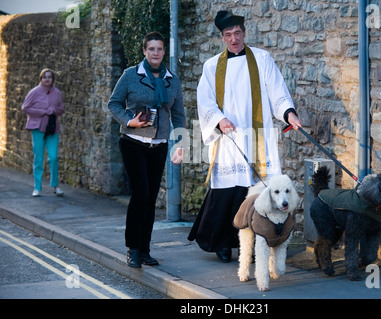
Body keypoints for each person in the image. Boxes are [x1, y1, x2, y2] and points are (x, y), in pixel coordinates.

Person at [188, 11, 303, 262]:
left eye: (237, 33)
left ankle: (254, 244)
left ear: (244, 32)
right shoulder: (211, 66)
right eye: (228, 35)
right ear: (222, 37)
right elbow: (205, 102)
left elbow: (277, 92)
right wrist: (219, 119)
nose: (233, 39)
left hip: (257, 136)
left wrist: (288, 113)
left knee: (254, 192)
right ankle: (222, 243)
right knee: (227, 190)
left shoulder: (262, 59)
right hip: (228, 137)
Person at [108, 31, 186, 268]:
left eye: (159, 49)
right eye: (151, 49)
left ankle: (144, 249)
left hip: (159, 146)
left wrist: (180, 145)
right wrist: (129, 121)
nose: (155, 53)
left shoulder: (172, 80)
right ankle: (133, 248)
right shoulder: (131, 75)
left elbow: (179, 115)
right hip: (132, 142)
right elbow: (113, 103)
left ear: (164, 52)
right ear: (144, 51)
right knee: (140, 193)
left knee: (150, 198)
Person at [22, 68, 65, 197]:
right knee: (38, 158)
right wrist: (42, 111)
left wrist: (54, 110)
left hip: (52, 129)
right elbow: (25, 107)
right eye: (44, 77)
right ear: (40, 79)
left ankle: (55, 186)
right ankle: (37, 187)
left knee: (53, 157)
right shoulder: (34, 92)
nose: (47, 79)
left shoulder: (57, 93)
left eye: (50, 77)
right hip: (38, 128)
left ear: (53, 79)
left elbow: (61, 109)